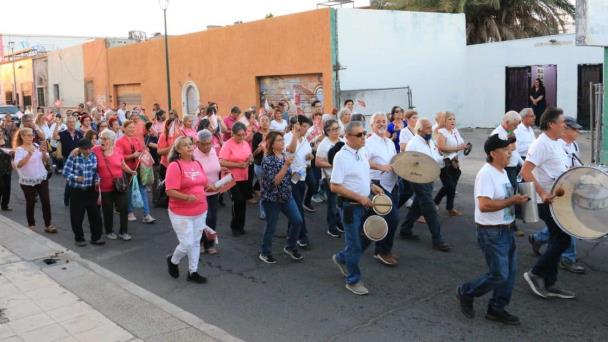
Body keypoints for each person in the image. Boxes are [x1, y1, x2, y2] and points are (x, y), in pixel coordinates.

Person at [457, 134, 529, 325]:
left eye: (509, 149)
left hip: (505, 229)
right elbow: (484, 205)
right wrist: (512, 201)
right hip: (491, 232)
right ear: (492, 153)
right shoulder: (486, 173)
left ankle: (496, 309)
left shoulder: (502, 171)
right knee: (499, 274)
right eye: (505, 150)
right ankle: (466, 291)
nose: (509, 152)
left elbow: (503, 200)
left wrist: (519, 203)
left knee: (509, 274)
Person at [521, 107, 576, 299]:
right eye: (562, 122)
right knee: (563, 239)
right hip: (546, 201)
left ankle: (550, 282)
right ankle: (535, 274)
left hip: (558, 199)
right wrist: (543, 193)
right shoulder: (541, 144)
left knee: (557, 239)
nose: (565, 125)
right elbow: (526, 171)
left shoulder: (557, 142)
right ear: (551, 124)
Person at [330, 121, 384, 295]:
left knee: (369, 237)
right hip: (350, 207)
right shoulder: (341, 156)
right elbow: (334, 186)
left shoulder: (361, 151)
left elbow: (360, 175)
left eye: (364, 133)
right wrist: (360, 197)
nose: (364, 137)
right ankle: (353, 280)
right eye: (359, 135)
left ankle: (341, 258)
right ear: (348, 137)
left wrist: (371, 186)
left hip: (364, 204)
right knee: (354, 245)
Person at [528, 116, 585, 274]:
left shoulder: (573, 145)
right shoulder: (553, 145)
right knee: (567, 226)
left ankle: (538, 238)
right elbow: (528, 171)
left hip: (569, 189)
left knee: (561, 227)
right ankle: (567, 258)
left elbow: (575, 164)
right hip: (554, 193)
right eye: (575, 129)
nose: (578, 132)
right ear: (564, 129)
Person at [165, 136, 215, 284]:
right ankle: (173, 261)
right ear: (178, 150)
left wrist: (209, 186)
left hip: (200, 209)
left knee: (195, 242)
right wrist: (187, 198)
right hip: (181, 212)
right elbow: (170, 191)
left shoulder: (197, 163)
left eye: (190, 144)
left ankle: (193, 271)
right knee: (186, 243)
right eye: (185, 145)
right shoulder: (175, 166)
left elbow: (202, 183)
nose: (189, 147)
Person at [399, 118, 451, 251]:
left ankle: (405, 229)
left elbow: (435, 158)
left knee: (418, 204)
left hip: (429, 177)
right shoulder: (413, 144)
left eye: (430, 128)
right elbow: (410, 165)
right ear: (419, 130)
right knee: (429, 207)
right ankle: (437, 239)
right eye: (427, 128)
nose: (430, 130)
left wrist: (446, 159)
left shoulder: (430, 141)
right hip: (419, 179)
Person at [258, 131, 304, 263]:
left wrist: (295, 173)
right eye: (279, 140)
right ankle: (265, 252)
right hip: (272, 199)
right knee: (271, 226)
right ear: (272, 144)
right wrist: (286, 166)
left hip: (286, 196)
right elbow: (275, 181)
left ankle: (290, 247)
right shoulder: (268, 160)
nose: (283, 142)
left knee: (297, 221)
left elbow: (286, 176)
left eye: (283, 140)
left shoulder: (283, 156)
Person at [366, 113, 400, 266]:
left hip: (393, 184)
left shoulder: (390, 142)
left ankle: (380, 249)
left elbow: (394, 161)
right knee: (392, 219)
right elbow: (363, 162)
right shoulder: (368, 142)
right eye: (378, 122)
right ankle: (382, 251)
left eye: (383, 121)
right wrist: (380, 167)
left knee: (386, 219)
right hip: (378, 185)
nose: (381, 124)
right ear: (372, 125)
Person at [94, 129, 137, 241]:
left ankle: (123, 232)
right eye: (101, 138)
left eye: (105, 138)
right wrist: (76, 149)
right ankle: (109, 231)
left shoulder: (118, 150)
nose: (102, 141)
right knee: (107, 210)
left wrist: (130, 171)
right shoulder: (96, 150)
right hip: (104, 187)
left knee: (123, 208)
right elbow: (83, 151)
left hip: (119, 185)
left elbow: (122, 164)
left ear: (112, 141)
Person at [13, 128, 57, 233]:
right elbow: (18, 165)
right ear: (22, 136)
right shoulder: (19, 150)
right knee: (31, 202)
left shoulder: (37, 146)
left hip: (41, 177)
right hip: (27, 180)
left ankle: (48, 224)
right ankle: (31, 224)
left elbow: (46, 160)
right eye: (28, 135)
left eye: (32, 135)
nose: (31, 137)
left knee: (46, 201)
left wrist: (44, 153)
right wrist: (28, 155)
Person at [62, 138, 104, 247]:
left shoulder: (93, 156)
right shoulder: (73, 156)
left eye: (90, 148)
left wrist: (97, 179)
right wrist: (76, 178)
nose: (89, 150)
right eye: (86, 149)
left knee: (95, 215)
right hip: (77, 191)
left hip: (91, 190)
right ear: (80, 149)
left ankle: (96, 238)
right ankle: (79, 238)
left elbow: (96, 172)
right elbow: (65, 172)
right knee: (77, 216)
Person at [491, 111, 524, 236]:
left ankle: (510, 222)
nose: (516, 128)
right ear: (506, 122)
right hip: (505, 169)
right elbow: (506, 151)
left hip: (512, 167)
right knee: (508, 195)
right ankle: (509, 224)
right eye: (514, 125)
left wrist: (522, 164)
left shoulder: (509, 132)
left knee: (511, 193)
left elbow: (515, 150)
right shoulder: (498, 134)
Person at [116, 120, 156, 223]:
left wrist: (145, 151)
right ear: (123, 129)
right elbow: (119, 158)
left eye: (133, 127)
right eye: (129, 127)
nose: (132, 129)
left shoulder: (137, 140)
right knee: (129, 191)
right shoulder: (120, 142)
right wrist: (132, 156)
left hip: (138, 168)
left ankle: (146, 214)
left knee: (143, 190)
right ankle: (130, 212)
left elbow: (141, 151)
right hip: (127, 170)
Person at [284, 115, 313, 248]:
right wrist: (295, 133)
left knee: (296, 206)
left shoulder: (305, 139)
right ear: (298, 125)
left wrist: (310, 157)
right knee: (298, 208)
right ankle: (302, 235)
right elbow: (291, 150)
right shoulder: (287, 137)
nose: (307, 130)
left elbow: (306, 158)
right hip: (291, 177)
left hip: (302, 177)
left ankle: (291, 232)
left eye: (308, 127)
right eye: (305, 127)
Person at [219, 122, 253, 236]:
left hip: (244, 176)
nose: (241, 137)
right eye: (239, 135)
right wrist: (238, 165)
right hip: (230, 177)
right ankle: (235, 227)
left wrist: (250, 159)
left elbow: (249, 156)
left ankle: (241, 226)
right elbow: (221, 161)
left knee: (242, 201)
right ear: (232, 134)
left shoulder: (245, 143)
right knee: (237, 200)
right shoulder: (227, 145)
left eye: (243, 134)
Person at [193, 130, 223, 255]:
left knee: (212, 219)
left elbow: (215, 167)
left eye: (210, 143)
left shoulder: (212, 151)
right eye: (204, 144)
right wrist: (204, 186)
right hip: (200, 193)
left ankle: (209, 244)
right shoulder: (193, 155)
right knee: (202, 219)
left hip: (214, 191)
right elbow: (193, 176)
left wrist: (223, 170)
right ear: (197, 142)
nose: (208, 146)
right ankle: (199, 242)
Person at [434, 112, 467, 216]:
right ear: (444, 121)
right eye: (450, 119)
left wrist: (463, 147)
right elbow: (441, 147)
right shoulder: (441, 132)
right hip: (444, 164)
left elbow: (458, 144)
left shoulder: (454, 131)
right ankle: (440, 205)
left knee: (450, 187)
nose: (453, 121)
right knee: (450, 187)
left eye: (454, 119)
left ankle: (446, 206)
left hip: (454, 162)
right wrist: (458, 148)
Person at [315, 119, 343, 238]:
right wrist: (333, 164)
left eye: (338, 128)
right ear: (327, 131)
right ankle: (331, 227)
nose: (337, 131)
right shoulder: (324, 144)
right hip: (330, 177)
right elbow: (318, 163)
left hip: (342, 177)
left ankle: (338, 223)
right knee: (332, 203)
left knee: (340, 202)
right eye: (334, 129)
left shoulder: (342, 141)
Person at [252, 115, 270, 220]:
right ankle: (263, 211)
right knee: (264, 188)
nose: (264, 122)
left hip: (272, 164)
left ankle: (271, 208)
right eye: (262, 120)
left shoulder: (272, 134)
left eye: (266, 120)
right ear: (259, 122)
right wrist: (261, 146)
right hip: (260, 165)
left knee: (271, 187)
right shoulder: (257, 135)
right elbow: (253, 153)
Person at [0, 130, 12, 211]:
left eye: (1, 132)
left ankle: (5, 205)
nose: (0, 133)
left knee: (7, 187)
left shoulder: (7, 141)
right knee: (0, 187)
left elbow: (12, 149)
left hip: (7, 167)